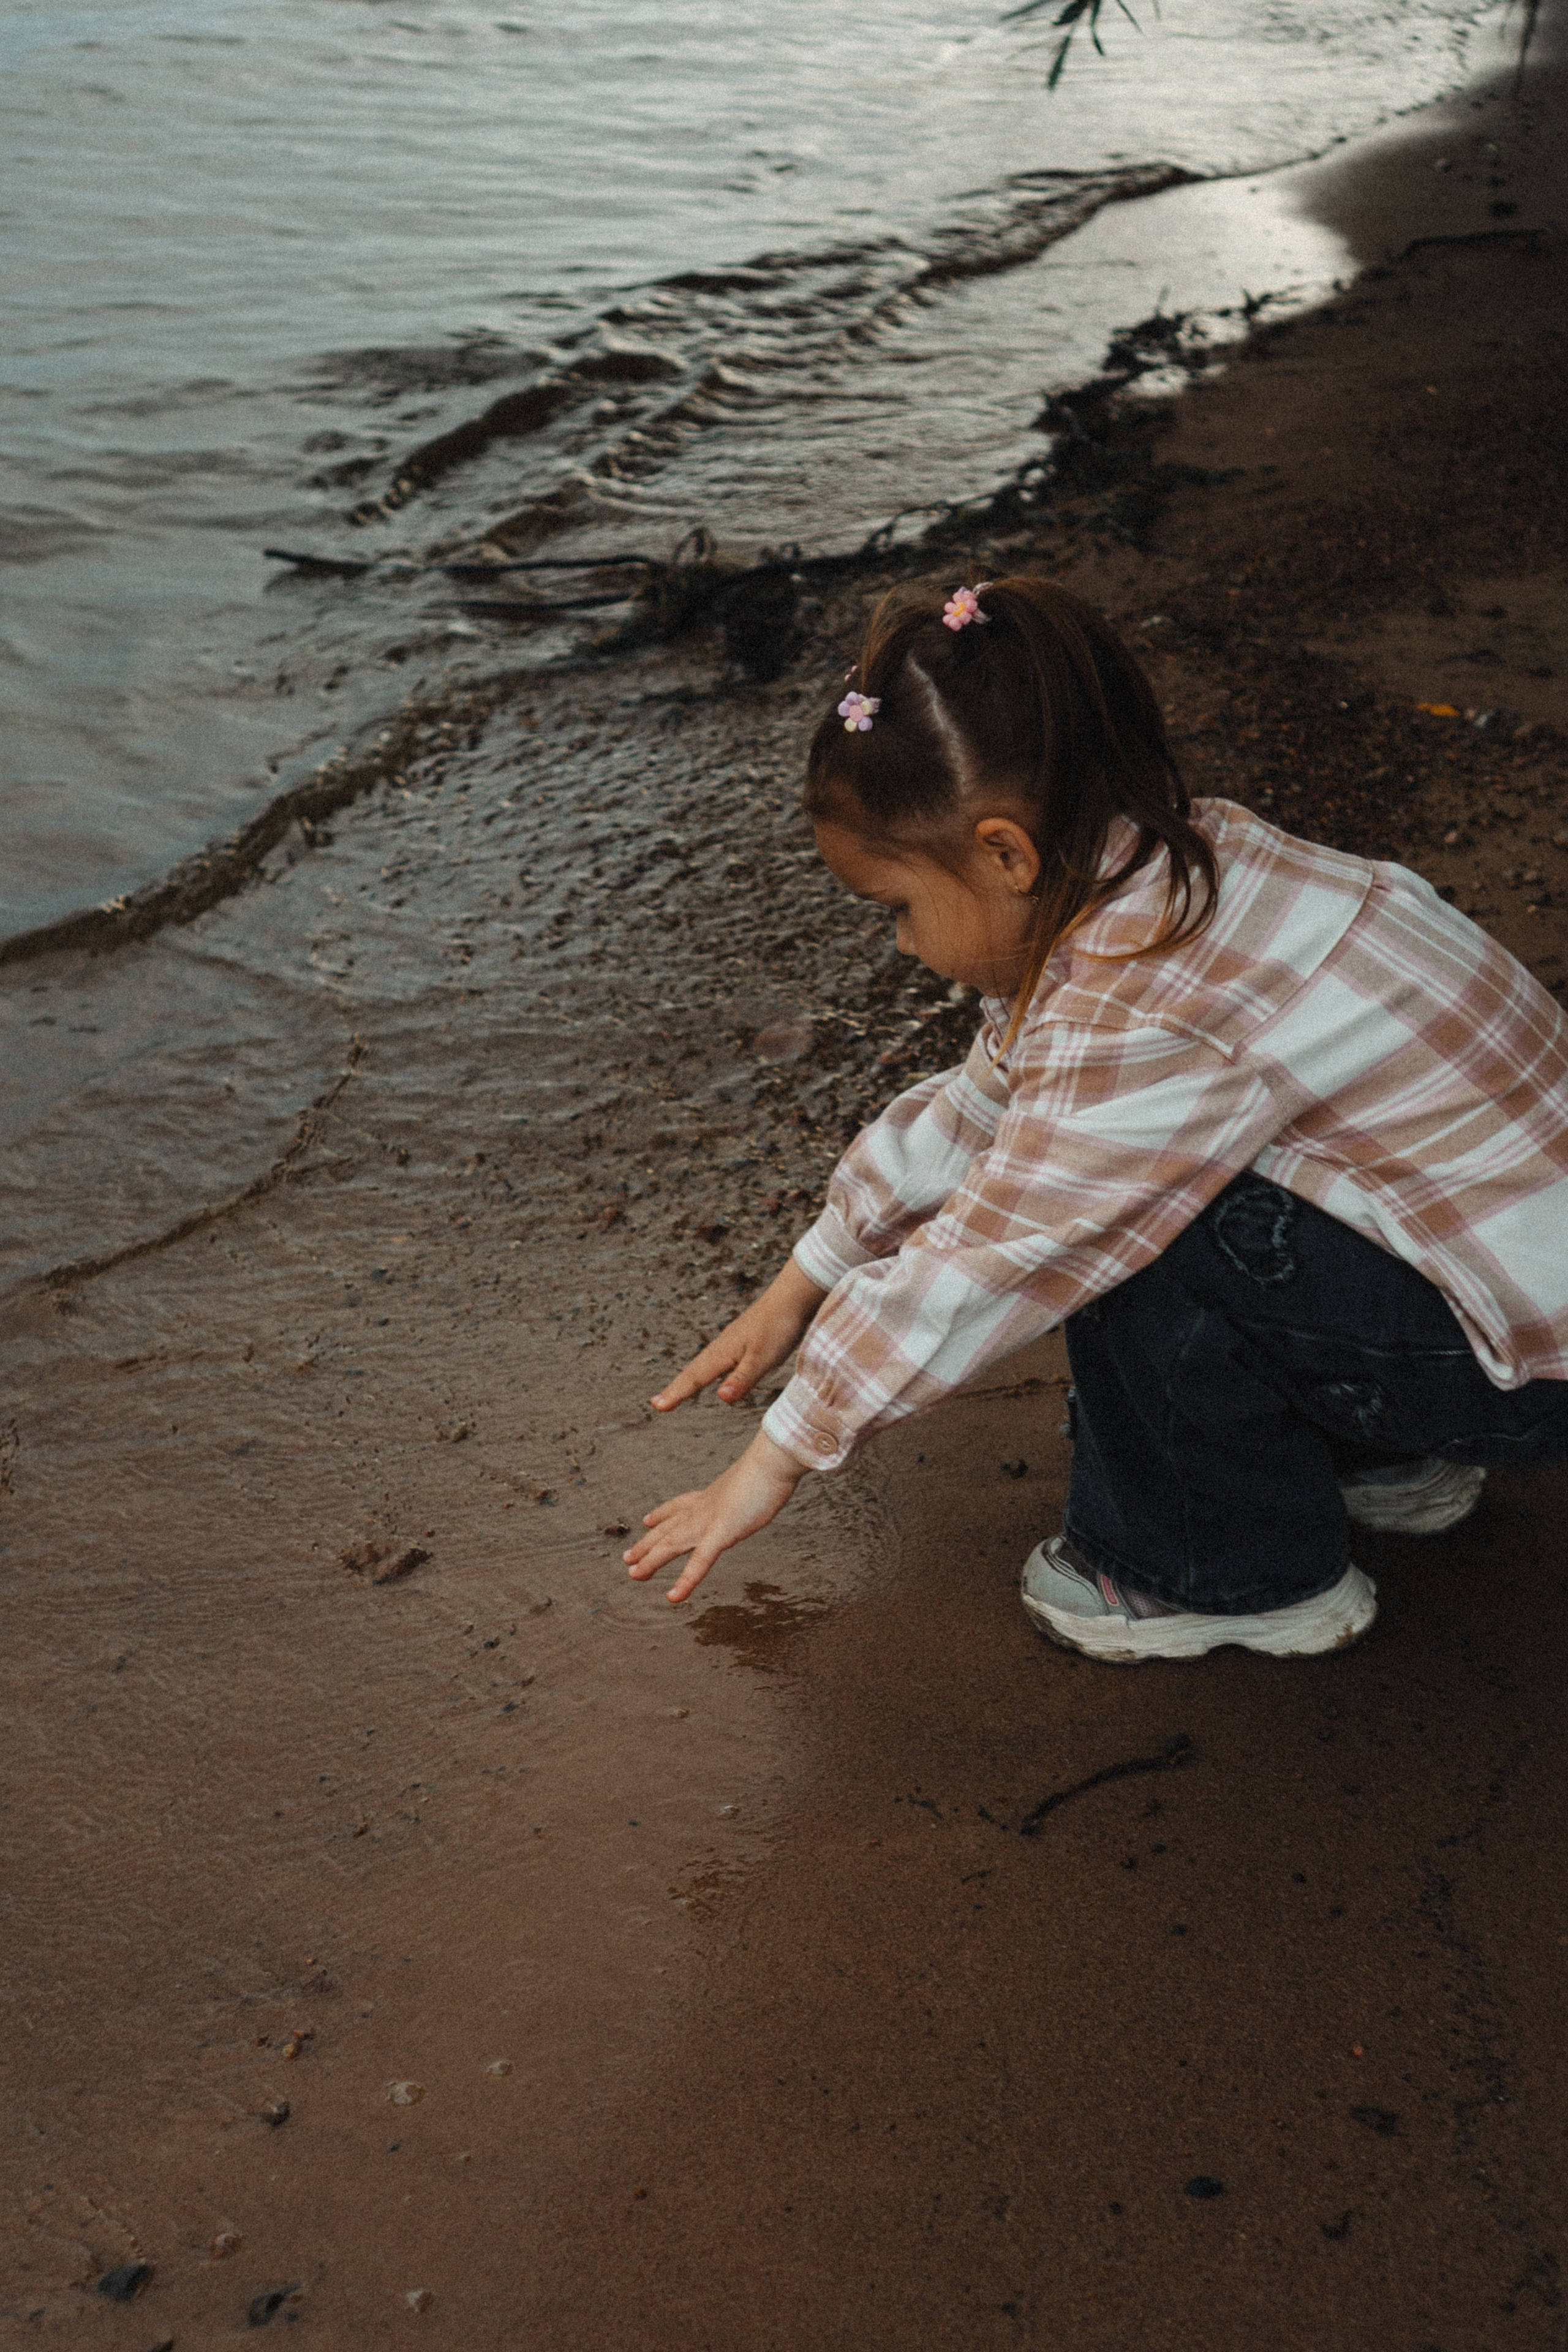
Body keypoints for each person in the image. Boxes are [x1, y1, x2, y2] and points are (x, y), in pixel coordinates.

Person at [625, 576, 1568, 1662]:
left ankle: (1217, 1572)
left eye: (898, 909)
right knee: (1160, 1186)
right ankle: (1379, 1458)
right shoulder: (1178, 874)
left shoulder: (1145, 1005)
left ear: (1005, 854)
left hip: (1524, 1372)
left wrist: (775, 1457)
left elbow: (996, 1251)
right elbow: (981, 1108)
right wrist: (808, 1277)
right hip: (1496, 1302)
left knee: (1123, 1230)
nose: (898, 945)